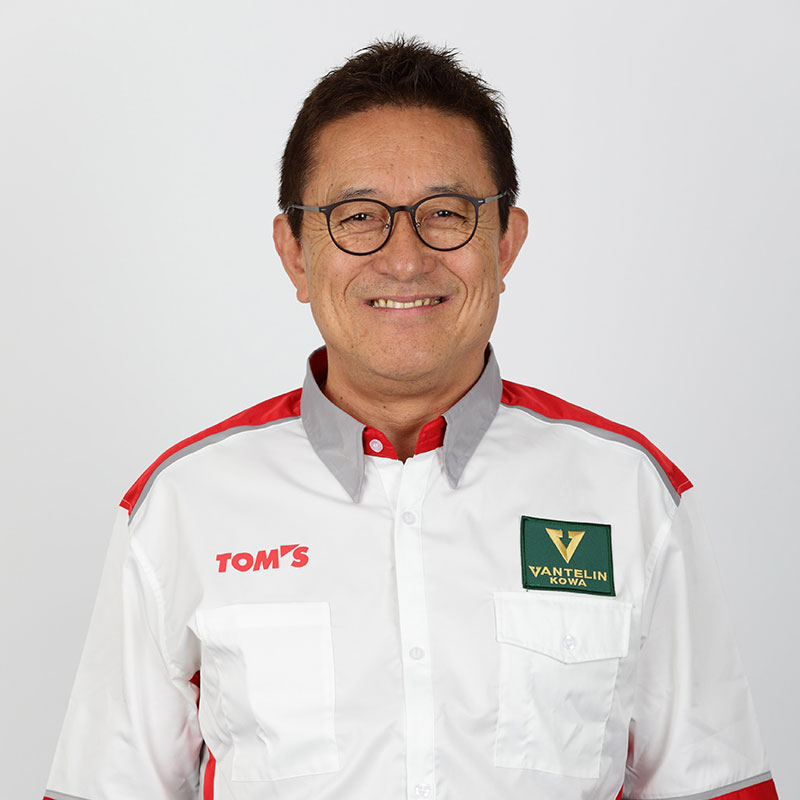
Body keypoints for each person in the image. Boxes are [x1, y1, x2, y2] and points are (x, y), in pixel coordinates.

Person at [43, 37, 779, 800]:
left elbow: (717, 787)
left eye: (446, 214)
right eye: (358, 216)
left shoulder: (629, 492)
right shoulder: (183, 506)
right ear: (295, 253)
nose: (404, 258)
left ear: (506, 243)